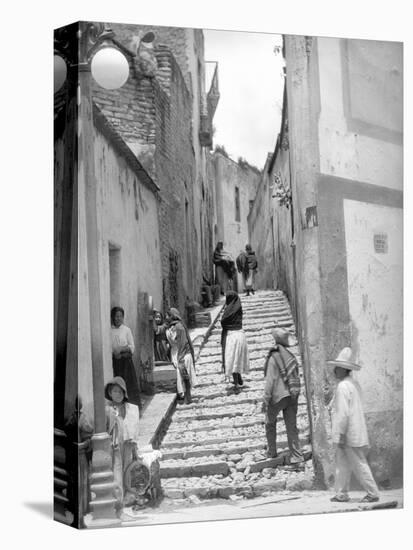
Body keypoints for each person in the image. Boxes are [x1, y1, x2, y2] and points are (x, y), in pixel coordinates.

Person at [327, 347, 380, 503]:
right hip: (354, 431)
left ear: (343, 370)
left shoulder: (343, 387)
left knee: (358, 464)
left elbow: (343, 413)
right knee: (342, 464)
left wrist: (341, 434)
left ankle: (373, 493)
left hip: (349, 433)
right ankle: (341, 493)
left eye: (337, 368)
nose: (334, 370)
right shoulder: (353, 384)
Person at [262, 328, 305, 469]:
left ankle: (272, 452)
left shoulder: (273, 357)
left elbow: (270, 381)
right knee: (291, 426)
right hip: (292, 395)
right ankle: (297, 457)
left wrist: (265, 400)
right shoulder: (290, 356)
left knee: (270, 422)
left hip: (278, 397)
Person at [105, 376, 140, 509]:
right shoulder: (108, 409)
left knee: (128, 468)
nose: (118, 395)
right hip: (115, 443)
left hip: (128, 442)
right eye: (115, 391)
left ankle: (129, 496)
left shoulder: (130, 408)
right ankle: (118, 499)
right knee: (117, 469)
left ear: (124, 393)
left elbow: (134, 425)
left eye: (120, 392)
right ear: (110, 393)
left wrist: (134, 443)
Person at [111, 306, 141, 409]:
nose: (118, 318)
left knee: (129, 386)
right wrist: (115, 353)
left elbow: (132, 347)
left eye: (120, 316)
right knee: (118, 387)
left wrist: (121, 349)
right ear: (113, 318)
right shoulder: (110, 330)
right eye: (116, 316)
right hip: (115, 363)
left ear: (123, 317)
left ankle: (132, 409)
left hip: (126, 364)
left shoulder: (126, 330)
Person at [166, 307, 197, 403]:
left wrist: (180, 356)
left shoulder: (176, 327)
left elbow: (178, 342)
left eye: (168, 315)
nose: (166, 318)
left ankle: (187, 398)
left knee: (183, 376)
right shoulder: (179, 325)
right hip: (182, 353)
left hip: (181, 354)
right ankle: (187, 397)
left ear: (172, 316)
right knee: (184, 376)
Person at [220, 291, 250, 394]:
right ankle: (239, 377)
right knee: (237, 358)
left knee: (232, 359)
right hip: (241, 335)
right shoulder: (238, 308)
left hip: (232, 336)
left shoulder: (228, 310)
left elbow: (223, 321)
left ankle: (236, 384)